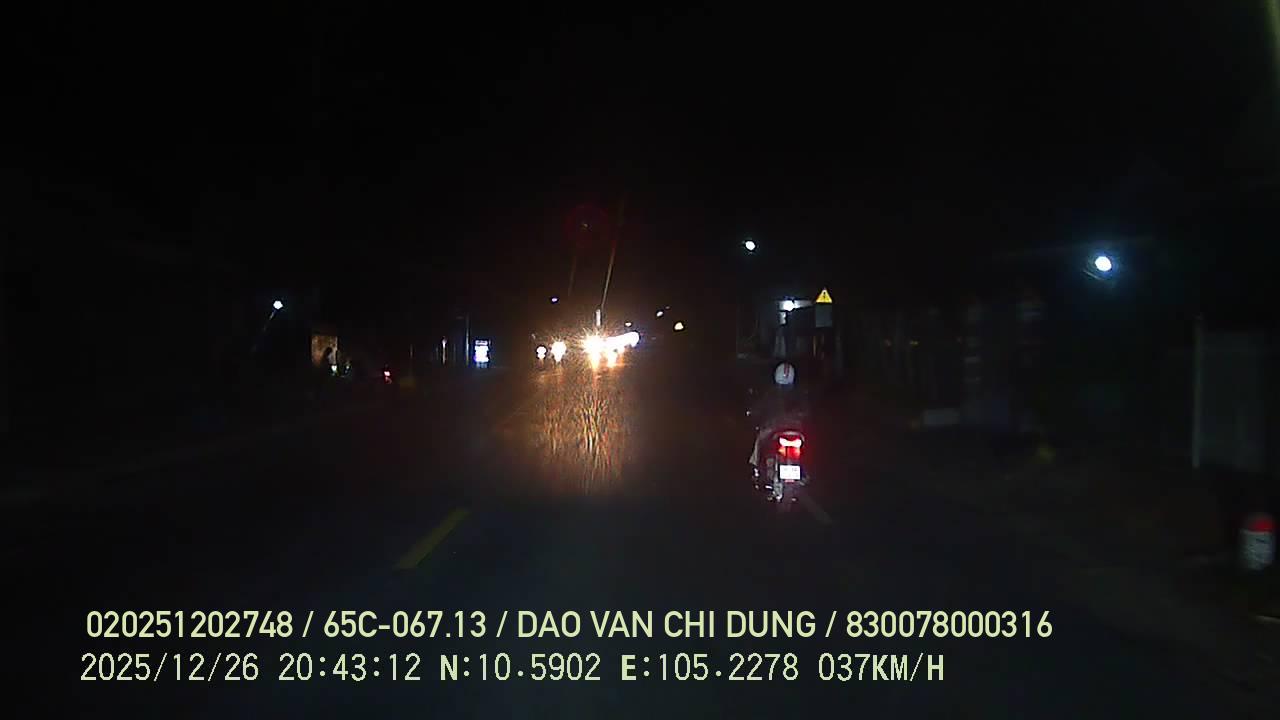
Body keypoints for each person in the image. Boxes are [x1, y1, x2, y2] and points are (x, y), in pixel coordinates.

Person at [748, 361, 809, 471]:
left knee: (759, 441)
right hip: (796, 429)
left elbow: (758, 409)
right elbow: (806, 411)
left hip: (774, 428)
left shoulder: (771, 394)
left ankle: (756, 468)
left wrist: (753, 414)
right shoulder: (799, 393)